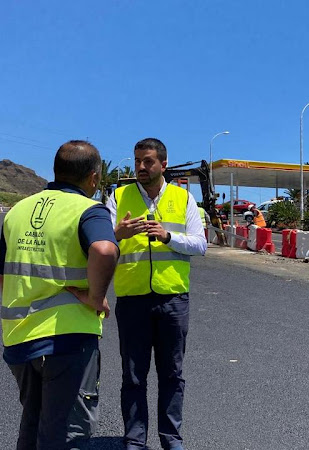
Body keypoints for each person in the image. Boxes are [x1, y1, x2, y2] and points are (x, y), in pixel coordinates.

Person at [0, 140, 119, 449]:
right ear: (94, 177)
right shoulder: (89, 211)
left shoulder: (17, 212)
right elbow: (104, 250)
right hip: (68, 338)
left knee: (33, 423)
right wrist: (95, 297)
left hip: (19, 338)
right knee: (67, 432)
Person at [106, 138, 207, 450]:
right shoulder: (118, 197)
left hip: (173, 299)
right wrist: (118, 234)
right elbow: (102, 247)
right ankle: (135, 440)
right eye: (137, 160)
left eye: (147, 161)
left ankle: (171, 438)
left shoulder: (184, 198)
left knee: (172, 374)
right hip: (133, 299)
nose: (140, 167)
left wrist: (168, 236)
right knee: (133, 376)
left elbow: (200, 245)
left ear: (163, 164)